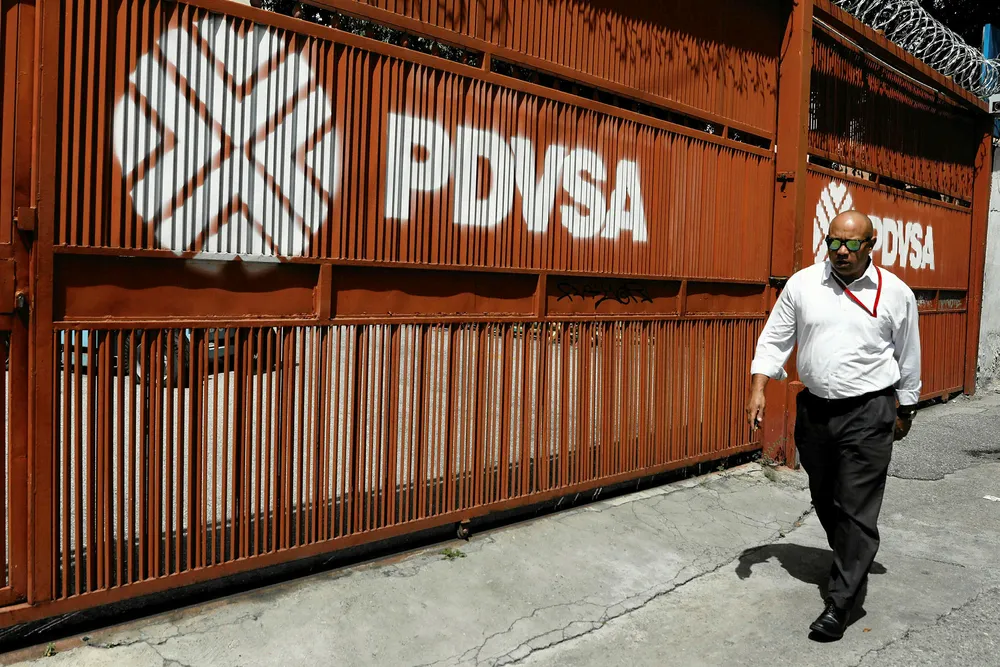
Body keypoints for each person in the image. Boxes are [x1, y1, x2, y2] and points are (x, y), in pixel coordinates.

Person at [745, 210, 921, 640]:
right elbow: (775, 338)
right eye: (834, 242)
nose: (842, 251)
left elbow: (908, 354)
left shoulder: (895, 293)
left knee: (856, 505)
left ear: (871, 245)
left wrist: (907, 407)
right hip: (816, 412)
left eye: (852, 244)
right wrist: (758, 387)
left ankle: (841, 603)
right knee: (825, 496)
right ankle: (851, 553)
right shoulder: (803, 284)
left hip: (869, 411)